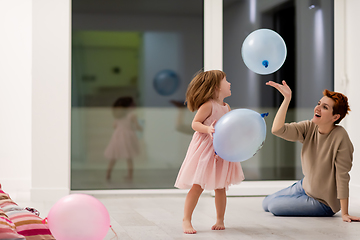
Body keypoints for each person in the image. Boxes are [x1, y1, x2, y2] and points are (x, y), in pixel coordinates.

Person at [263, 80, 360, 222]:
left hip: (323, 202)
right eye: (319, 103)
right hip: (304, 186)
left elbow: (342, 177)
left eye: (325, 107)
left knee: (273, 206)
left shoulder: (340, 137)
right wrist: (287, 99)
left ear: (335, 117)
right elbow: (277, 130)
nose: (318, 108)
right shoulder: (309, 127)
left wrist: (344, 213)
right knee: (265, 203)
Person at [174, 70, 245, 234]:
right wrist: (208, 129)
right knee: (197, 186)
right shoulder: (208, 105)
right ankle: (186, 219)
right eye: (226, 81)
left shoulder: (226, 107)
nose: (230, 83)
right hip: (206, 149)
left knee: (221, 186)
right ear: (216, 87)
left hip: (222, 150)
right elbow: (195, 123)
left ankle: (220, 219)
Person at [104, 96, 142, 181]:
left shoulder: (119, 116)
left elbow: (114, 126)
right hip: (128, 136)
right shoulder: (132, 115)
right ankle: (130, 175)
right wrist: (140, 128)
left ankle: (108, 174)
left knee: (113, 157)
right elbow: (137, 126)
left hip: (117, 136)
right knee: (129, 157)